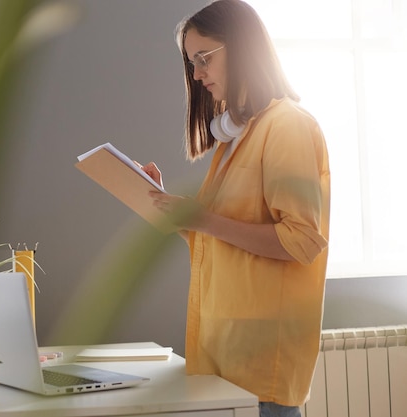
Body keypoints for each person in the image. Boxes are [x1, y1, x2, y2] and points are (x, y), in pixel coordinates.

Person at [138, 1, 330, 416]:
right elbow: (220, 237)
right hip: (224, 361)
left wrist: (203, 218)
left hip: (261, 368)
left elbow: (301, 241)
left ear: (241, 48)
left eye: (203, 58)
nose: (196, 73)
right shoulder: (235, 140)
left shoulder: (287, 127)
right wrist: (170, 208)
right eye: (192, 63)